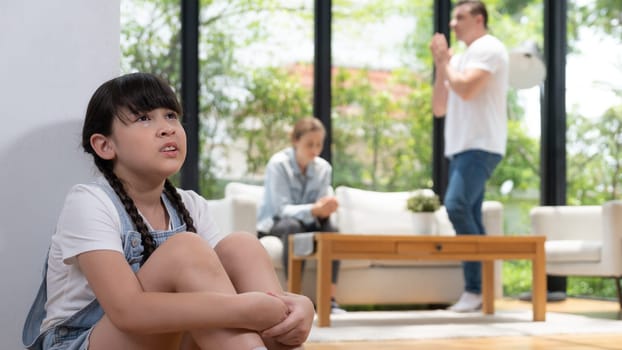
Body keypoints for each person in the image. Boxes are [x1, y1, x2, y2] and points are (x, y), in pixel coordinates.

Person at [22, 72, 314, 350]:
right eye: (144, 118)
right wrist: (244, 308)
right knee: (185, 249)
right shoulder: (89, 202)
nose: (167, 128)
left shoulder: (190, 205)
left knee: (242, 246)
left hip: (165, 340)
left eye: (171, 115)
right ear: (105, 145)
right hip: (84, 341)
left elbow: (215, 287)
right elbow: (128, 312)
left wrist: (297, 307)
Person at [429, 0, 508, 312]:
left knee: (456, 205)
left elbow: (466, 89)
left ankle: (476, 289)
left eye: (459, 17)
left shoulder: (490, 47)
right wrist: (441, 64)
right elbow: (439, 107)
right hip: (461, 147)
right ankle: (481, 292)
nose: (452, 24)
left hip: (481, 145)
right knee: (470, 214)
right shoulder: (459, 58)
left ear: (479, 19)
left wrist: (444, 63)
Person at [257, 117, 345, 314]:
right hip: (277, 223)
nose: (315, 150)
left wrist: (326, 207)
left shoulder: (323, 168)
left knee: (332, 232)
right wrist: (314, 209)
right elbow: (281, 209)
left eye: (319, 144)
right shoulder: (279, 164)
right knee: (293, 227)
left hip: (309, 221)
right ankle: (291, 297)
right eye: (309, 144)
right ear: (296, 141)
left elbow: (321, 202)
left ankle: (330, 301)